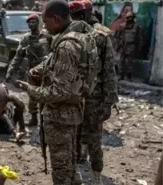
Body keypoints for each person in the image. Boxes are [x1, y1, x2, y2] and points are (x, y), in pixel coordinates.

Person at [16, 0, 98, 184]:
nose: (44, 27)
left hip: (59, 117)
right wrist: (36, 71)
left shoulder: (66, 45)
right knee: (69, 166)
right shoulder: (81, 37)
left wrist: (30, 89)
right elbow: (54, 64)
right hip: (73, 112)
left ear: (56, 18)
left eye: (45, 22)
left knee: (61, 172)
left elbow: (59, 92)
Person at [69, 1, 119, 184]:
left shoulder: (101, 36)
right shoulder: (69, 35)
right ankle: (75, 174)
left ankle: (96, 176)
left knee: (94, 140)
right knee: (73, 137)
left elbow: (109, 71)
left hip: (94, 98)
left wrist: (108, 102)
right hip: (72, 98)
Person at [4, 13, 50, 126]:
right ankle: (34, 118)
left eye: (33, 21)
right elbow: (18, 56)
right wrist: (10, 71)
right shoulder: (26, 38)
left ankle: (46, 119)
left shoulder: (48, 36)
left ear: (38, 22)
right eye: (29, 22)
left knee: (47, 95)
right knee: (32, 95)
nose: (31, 24)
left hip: (47, 71)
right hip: (32, 71)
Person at [115, 12, 143, 81]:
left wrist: (139, 48)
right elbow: (118, 36)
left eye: (131, 17)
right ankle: (121, 75)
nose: (130, 19)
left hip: (131, 46)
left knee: (130, 62)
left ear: (133, 18)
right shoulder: (122, 26)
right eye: (128, 17)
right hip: (123, 46)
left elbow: (140, 38)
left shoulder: (137, 27)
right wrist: (118, 46)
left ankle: (129, 76)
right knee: (121, 61)